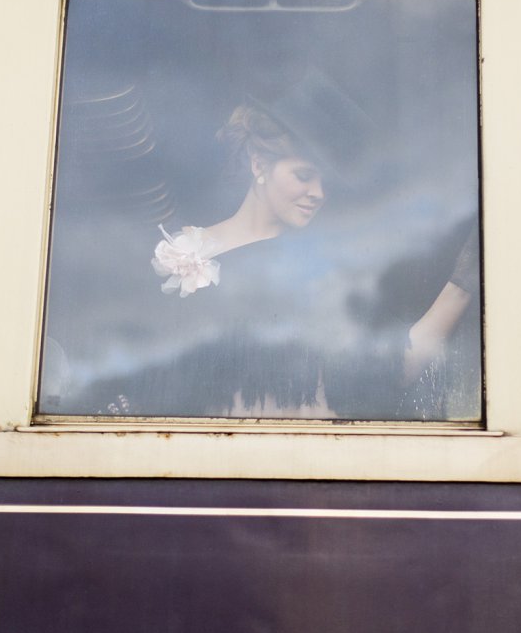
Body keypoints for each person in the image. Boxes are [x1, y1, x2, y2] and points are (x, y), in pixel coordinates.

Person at [92, 69, 479, 420]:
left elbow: (393, 366)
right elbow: (146, 377)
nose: (318, 193)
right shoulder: (187, 254)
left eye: (326, 182)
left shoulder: (329, 268)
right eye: (304, 175)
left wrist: (461, 285)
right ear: (259, 164)